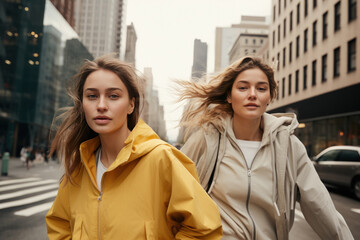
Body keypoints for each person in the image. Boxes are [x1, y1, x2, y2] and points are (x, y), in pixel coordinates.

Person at [45, 55, 222, 239]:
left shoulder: (162, 158)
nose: (101, 105)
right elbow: (59, 224)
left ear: (131, 104)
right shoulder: (78, 166)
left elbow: (204, 229)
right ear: (83, 105)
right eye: (92, 96)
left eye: (113, 96)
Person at [179, 56, 353, 240]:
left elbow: (322, 208)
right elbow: (171, 191)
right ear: (229, 96)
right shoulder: (206, 139)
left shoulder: (289, 147)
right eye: (243, 87)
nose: (252, 94)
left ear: (270, 97)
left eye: (261, 88)